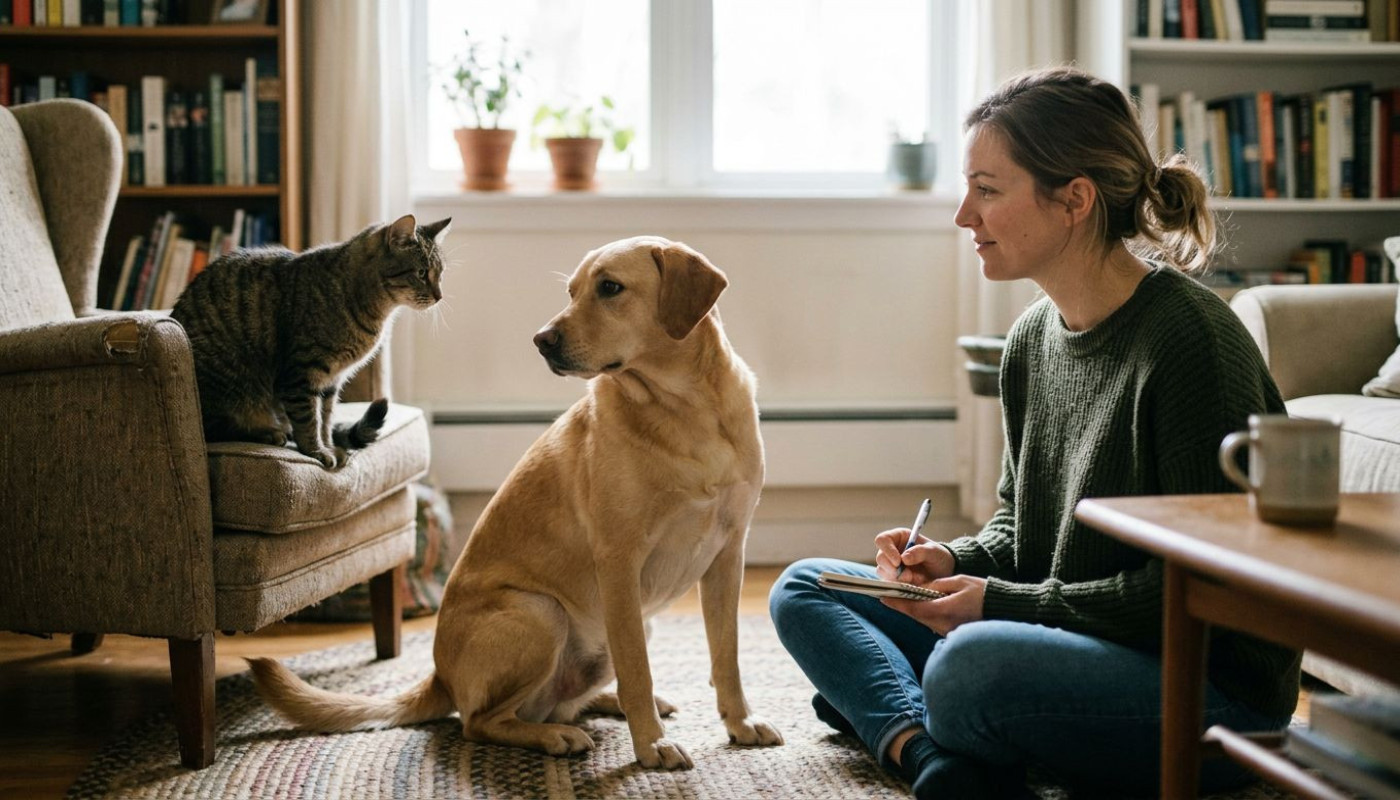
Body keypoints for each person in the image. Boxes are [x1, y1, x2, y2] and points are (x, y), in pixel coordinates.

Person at [769, 66, 1300, 799]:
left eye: (987, 190)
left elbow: (1203, 590)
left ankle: (896, 712)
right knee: (805, 588)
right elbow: (1022, 531)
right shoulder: (1029, 341)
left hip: (1207, 690)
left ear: (1074, 200)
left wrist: (999, 605)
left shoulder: (1191, 343)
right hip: (1075, 641)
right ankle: (931, 755)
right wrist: (948, 557)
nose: (964, 215)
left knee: (968, 668)